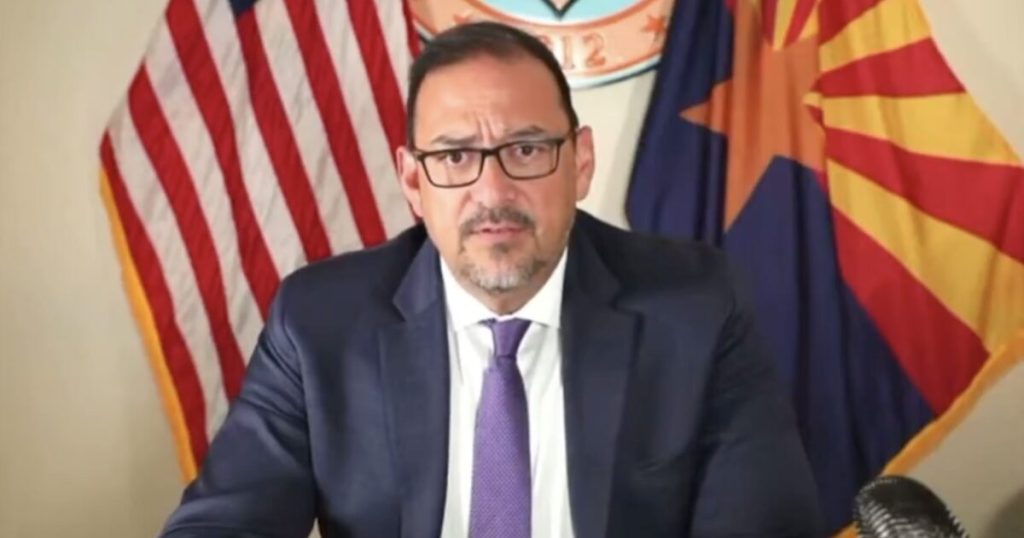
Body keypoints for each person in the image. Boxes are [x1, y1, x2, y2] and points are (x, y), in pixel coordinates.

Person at [160, 21, 821, 538]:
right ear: (413, 181)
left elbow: (762, 526)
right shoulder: (320, 323)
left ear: (580, 162)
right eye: (455, 156)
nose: (493, 190)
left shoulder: (697, 307)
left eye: (526, 149)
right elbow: (223, 524)